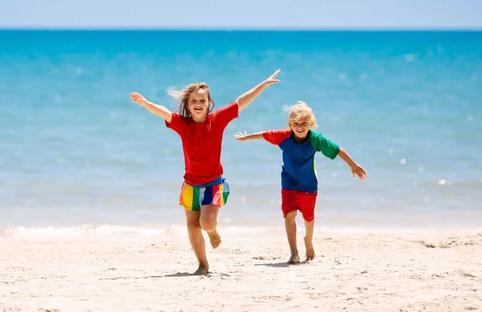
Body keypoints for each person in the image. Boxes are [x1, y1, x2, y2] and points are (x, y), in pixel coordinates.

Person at [129, 70, 281, 275]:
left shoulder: (217, 119)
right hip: (190, 184)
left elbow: (241, 102)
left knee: (207, 223)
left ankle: (212, 231)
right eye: (194, 100)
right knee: (192, 227)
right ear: (187, 104)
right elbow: (164, 112)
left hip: (214, 183)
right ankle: (203, 264)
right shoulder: (182, 124)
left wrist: (263, 84)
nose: (198, 103)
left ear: (209, 102)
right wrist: (146, 104)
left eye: (202, 100)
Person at [234, 101, 367, 264]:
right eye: (295, 123)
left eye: (304, 123)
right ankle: (294, 252)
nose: (299, 127)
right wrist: (245, 138)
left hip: (308, 184)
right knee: (289, 215)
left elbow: (337, 149)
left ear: (310, 124)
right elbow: (264, 134)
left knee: (308, 217)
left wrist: (353, 165)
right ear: (290, 124)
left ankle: (308, 241)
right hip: (288, 183)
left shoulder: (315, 139)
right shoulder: (284, 136)